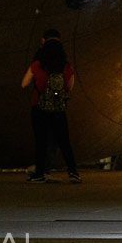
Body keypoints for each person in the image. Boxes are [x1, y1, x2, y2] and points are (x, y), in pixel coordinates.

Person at [21, 28, 80, 183]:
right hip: (58, 109)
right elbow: (69, 87)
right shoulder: (66, 66)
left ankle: (40, 173)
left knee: (41, 141)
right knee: (64, 141)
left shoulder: (37, 64)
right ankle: (73, 173)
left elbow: (24, 83)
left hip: (39, 107)